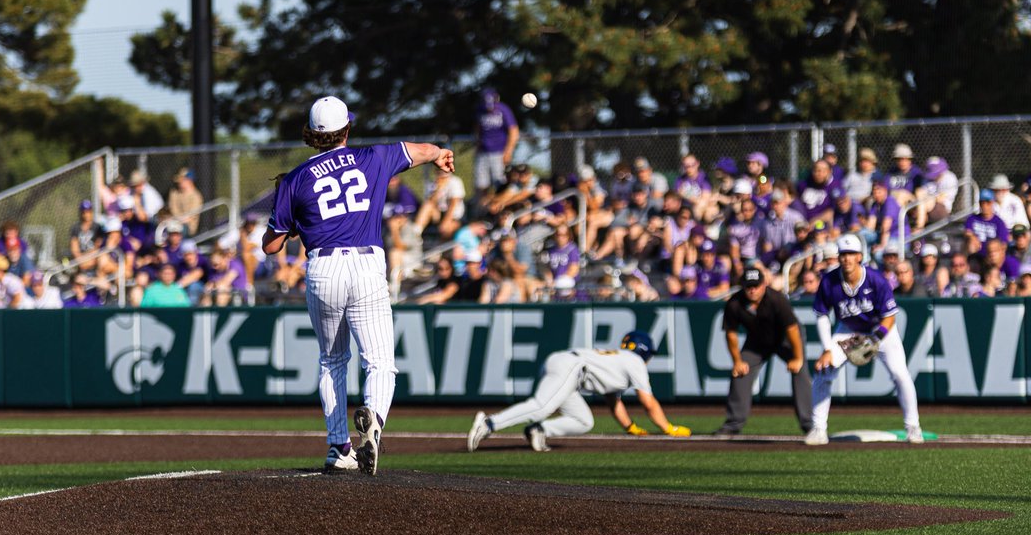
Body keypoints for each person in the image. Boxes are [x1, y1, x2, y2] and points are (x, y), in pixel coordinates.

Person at [264, 95, 454, 476]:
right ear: (347, 128)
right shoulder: (373, 157)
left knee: (332, 361)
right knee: (380, 362)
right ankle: (375, 422)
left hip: (323, 268)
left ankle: (339, 448)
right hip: (367, 263)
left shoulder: (297, 178)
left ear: (312, 135)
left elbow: (270, 246)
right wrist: (439, 154)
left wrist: (297, 217)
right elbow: (419, 151)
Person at [466, 331, 691, 452]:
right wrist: (669, 428)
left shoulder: (619, 361)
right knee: (542, 406)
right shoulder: (634, 362)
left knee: (583, 421)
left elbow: (614, 401)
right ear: (644, 352)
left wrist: (631, 427)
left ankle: (539, 430)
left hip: (569, 368)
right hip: (572, 367)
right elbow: (647, 401)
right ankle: (488, 424)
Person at [806, 233, 922, 446]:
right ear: (838, 257)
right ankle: (818, 428)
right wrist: (827, 349)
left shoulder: (876, 279)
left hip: (879, 329)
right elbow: (822, 315)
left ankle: (913, 427)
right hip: (847, 329)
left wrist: (875, 340)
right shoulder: (830, 281)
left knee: (900, 374)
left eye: (852, 254)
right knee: (824, 371)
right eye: (843, 254)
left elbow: (889, 317)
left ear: (860, 256)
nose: (847, 259)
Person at [715, 268, 812, 435]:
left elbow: (793, 329)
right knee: (740, 372)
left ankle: (810, 424)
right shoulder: (735, 303)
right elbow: (731, 334)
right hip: (758, 342)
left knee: (800, 372)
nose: (752, 290)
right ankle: (733, 424)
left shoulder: (776, 299)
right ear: (742, 287)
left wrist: (797, 357)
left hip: (786, 340)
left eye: (756, 286)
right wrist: (737, 361)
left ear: (764, 285)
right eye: (748, 286)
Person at [474, 88, 519, 200]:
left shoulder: (503, 109)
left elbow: (513, 131)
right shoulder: (480, 110)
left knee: (500, 183)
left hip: (499, 152)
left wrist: (508, 151)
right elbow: (478, 129)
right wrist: (478, 145)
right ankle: (483, 211)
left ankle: (499, 209)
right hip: (483, 152)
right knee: (481, 185)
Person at [69, 200, 104, 272]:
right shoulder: (75, 228)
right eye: (84, 212)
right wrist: (80, 260)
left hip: (93, 258)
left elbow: (98, 246)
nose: (86, 214)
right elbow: (74, 248)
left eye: (88, 211)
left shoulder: (97, 227)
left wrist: (88, 258)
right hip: (80, 260)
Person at [167, 168, 204, 235]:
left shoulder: (196, 197)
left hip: (186, 227)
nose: (179, 182)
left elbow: (190, 217)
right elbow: (172, 209)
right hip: (173, 222)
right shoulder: (174, 192)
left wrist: (177, 220)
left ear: (189, 180)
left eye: (182, 180)